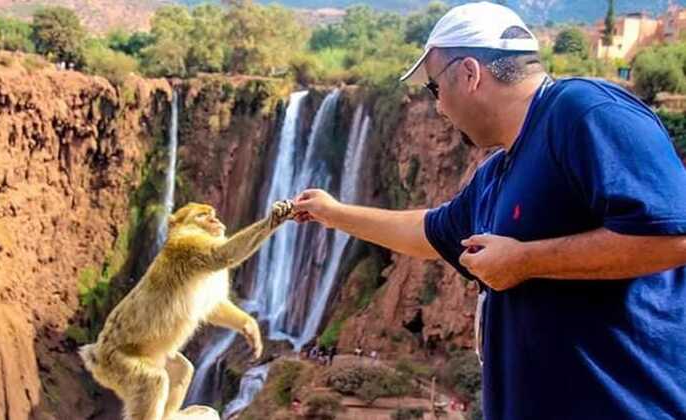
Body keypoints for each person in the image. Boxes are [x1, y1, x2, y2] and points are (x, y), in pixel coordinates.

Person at [293, 2, 686, 419]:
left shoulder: (585, 112)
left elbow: (675, 235)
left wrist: (525, 261)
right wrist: (332, 213)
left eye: (434, 89)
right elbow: (429, 233)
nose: (439, 107)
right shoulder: (497, 173)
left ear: (468, 74)